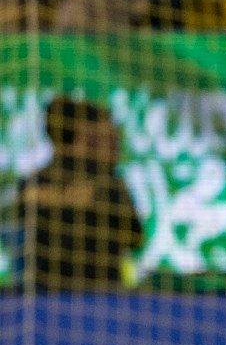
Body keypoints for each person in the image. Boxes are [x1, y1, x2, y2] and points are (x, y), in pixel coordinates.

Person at [18, 98, 144, 291]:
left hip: (50, 295)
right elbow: (135, 238)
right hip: (94, 295)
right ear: (82, 134)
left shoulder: (33, 183)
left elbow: (135, 238)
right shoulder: (107, 182)